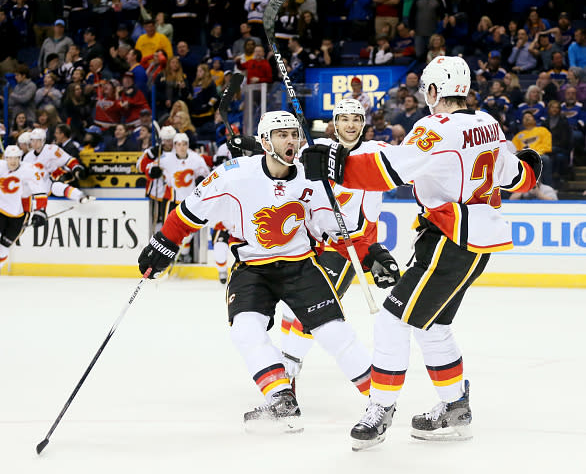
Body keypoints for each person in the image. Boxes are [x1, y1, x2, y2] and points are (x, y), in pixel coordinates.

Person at [300, 56, 540, 450]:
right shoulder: (489, 125)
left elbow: (386, 169)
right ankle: (454, 408)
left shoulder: (435, 127)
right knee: (432, 326)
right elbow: (515, 175)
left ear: (432, 91)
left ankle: (380, 408)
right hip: (473, 240)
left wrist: (333, 163)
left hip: (449, 239)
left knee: (391, 321)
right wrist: (533, 168)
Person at [137, 111, 389, 431]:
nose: (291, 141)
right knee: (245, 329)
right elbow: (192, 209)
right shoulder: (233, 174)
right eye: (282, 135)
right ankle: (281, 398)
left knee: (335, 333)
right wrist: (164, 242)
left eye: (294, 134)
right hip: (252, 269)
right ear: (265, 141)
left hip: (301, 266)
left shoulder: (311, 177)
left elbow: (333, 231)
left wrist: (371, 255)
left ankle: (382, 402)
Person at [279, 99, 400, 390]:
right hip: (314, 243)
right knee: (291, 308)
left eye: (356, 119)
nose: (350, 125)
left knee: (315, 311)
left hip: (351, 247)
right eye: (344, 119)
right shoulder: (316, 150)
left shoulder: (377, 152)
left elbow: (412, 165)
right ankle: (287, 363)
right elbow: (284, 171)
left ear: (364, 123)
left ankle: (287, 376)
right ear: (334, 122)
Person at [0, 145, 48, 283]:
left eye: (15, 158)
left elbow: (40, 191)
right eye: (9, 158)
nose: (12, 161)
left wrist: (40, 211)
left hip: (19, 215)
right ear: (5, 158)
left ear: (20, 158)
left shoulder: (28, 170)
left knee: (4, 248)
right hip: (0, 210)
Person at [153, 131, 210, 263]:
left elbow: (204, 172)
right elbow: (151, 167)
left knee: (188, 231)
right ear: (174, 146)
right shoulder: (166, 159)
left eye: (184, 144)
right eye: (178, 144)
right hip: (172, 201)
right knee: (169, 230)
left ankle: (183, 254)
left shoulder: (196, 158)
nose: (182, 147)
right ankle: (169, 256)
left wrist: (201, 177)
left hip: (190, 201)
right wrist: (153, 171)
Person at [23, 128, 91, 204]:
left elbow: (68, 160)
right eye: (32, 140)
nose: (34, 143)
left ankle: (80, 196)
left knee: (57, 186)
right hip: (37, 188)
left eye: (37, 140)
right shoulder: (27, 157)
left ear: (43, 140)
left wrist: (76, 167)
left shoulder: (52, 149)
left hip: (52, 183)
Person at [136, 125, 176, 231]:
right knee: (153, 221)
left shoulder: (178, 152)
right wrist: (149, 158)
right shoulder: (153, 152)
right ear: (162, 140)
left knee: (169, 222)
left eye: (171, 140)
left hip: (172, 195)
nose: (169, 143)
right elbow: (139, 167)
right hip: (155, 193)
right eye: (167, 140)